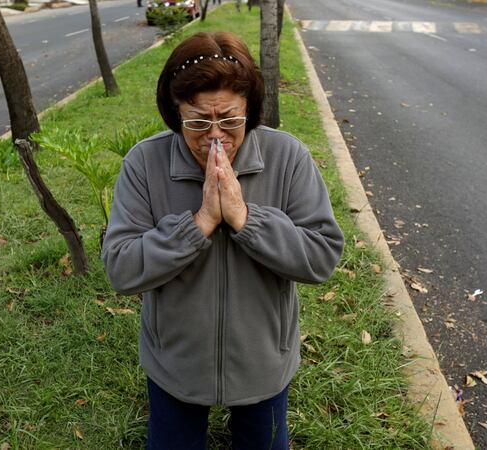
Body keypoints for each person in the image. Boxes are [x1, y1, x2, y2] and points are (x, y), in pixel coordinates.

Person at [102, 31, 344, 450]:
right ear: (174, 113)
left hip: (263, 363)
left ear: (249, 110)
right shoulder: (145, 163)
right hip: (175, 364)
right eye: (197, 122)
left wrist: (245, 218)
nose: (216, 137)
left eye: (230, 120)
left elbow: (321, 257)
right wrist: (199, 223)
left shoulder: (287, 158)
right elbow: (121, 268)